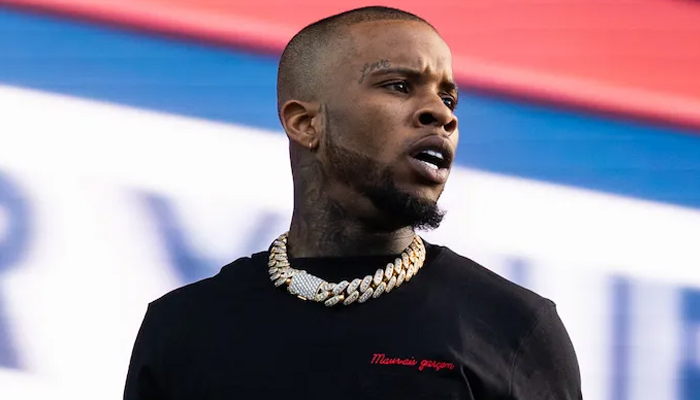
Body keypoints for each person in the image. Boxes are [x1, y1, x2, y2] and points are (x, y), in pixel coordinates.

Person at [124, 6, 582, 400]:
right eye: (399, 86)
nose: (442, 114)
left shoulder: (513, 327)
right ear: (305, 123)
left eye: (448, 98)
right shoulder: (186, 326)